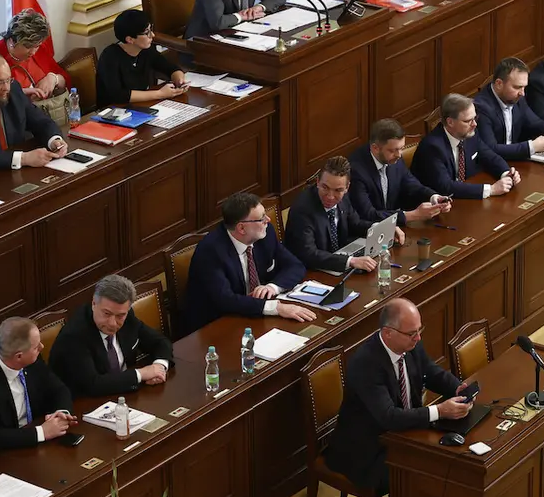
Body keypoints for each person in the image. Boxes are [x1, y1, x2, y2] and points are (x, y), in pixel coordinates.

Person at [325, 298, 472, 496]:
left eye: (420, 330)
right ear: (388, 333)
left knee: (451, 457)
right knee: (425, 471)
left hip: (405, 433)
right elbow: (389, 417)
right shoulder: (366, 364)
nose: (418, 337)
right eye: (412, 333)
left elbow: (431, 372)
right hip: (368, 449)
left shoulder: (411, 344)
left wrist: (457, 389)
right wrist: (439, 411)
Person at [181, 192, 315, 334]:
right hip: (217, 326)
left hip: (253, 315)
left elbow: (295, 265)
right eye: (261, 218)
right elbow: (225, 300)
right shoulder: (210, 251)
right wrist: (275, 307)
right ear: (241, 228)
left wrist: (272, 287)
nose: (268, 220)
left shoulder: (265, 233)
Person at [0, 317, 78, 452]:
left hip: (36, 442)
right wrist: (42, 432)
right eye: (36, 347)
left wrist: (60, 413)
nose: (41, 347)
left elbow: (59, 389)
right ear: (19, 356)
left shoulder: (31, 359)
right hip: (3, 453)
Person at [48, 275, 174, 397]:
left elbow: (160, 342)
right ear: (93, 304)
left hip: (126, 395)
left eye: (120, 316)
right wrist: (141, 374)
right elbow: (93, 384)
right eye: (106, 314)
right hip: (85, 403)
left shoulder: (127, 316)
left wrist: (159, 367)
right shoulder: (74, 336)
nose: (113, 323)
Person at [285, 156, 405, 274]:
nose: (330, 196)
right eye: (325, 187)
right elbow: (309, 254)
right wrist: (350, 261)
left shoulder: (344, 197)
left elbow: (355, 224)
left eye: (338, 190)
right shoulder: (302, 209)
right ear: (317, 182)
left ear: (347, 188)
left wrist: (383, 228)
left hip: (337, 262)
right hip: (310, 272)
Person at [409, 94, 519, 200]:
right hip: (436, 204)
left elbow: (489, 156)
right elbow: (445, 187)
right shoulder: (432, 147)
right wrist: (491, 189)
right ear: (450, 122)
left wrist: (506, 173)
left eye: (475, 118)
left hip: (464, 198)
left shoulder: (469, 134)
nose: (474, 124)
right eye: (467, 121)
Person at [347, 119, 452, 227]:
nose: (399, 155)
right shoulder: (356, 171)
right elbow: (368, 214)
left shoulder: (395, 158)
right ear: (375, 148)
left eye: (401, 148)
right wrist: (412, 215)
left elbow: (411, 185)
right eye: (393, 150)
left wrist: (433, 197)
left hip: (395, 227)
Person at [474, 56, 544, 161]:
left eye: (524, 87)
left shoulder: (516, 97)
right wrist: (532, 147)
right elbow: (491, 149)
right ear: (499, 84)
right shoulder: (482, 107)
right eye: (517, 87)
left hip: (516, 160)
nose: (522, 93)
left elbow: (534, 121)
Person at [96, 9, 187, 109]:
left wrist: (179, 80)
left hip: (139, 106)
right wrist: (160, 94)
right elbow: (118, 95)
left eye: (151, 29)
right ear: (130, 39)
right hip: (113, 111)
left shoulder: (146, 49)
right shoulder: (110, 57)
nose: (152, 35)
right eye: (147, 32)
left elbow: (169, 68)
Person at [0, 9, 69, 101]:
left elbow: (66, 80)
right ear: (11, 41)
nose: (33, 52)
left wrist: (53, 78)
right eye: (27, 46)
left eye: (37, 46)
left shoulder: (39, 49)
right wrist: (20, 93)